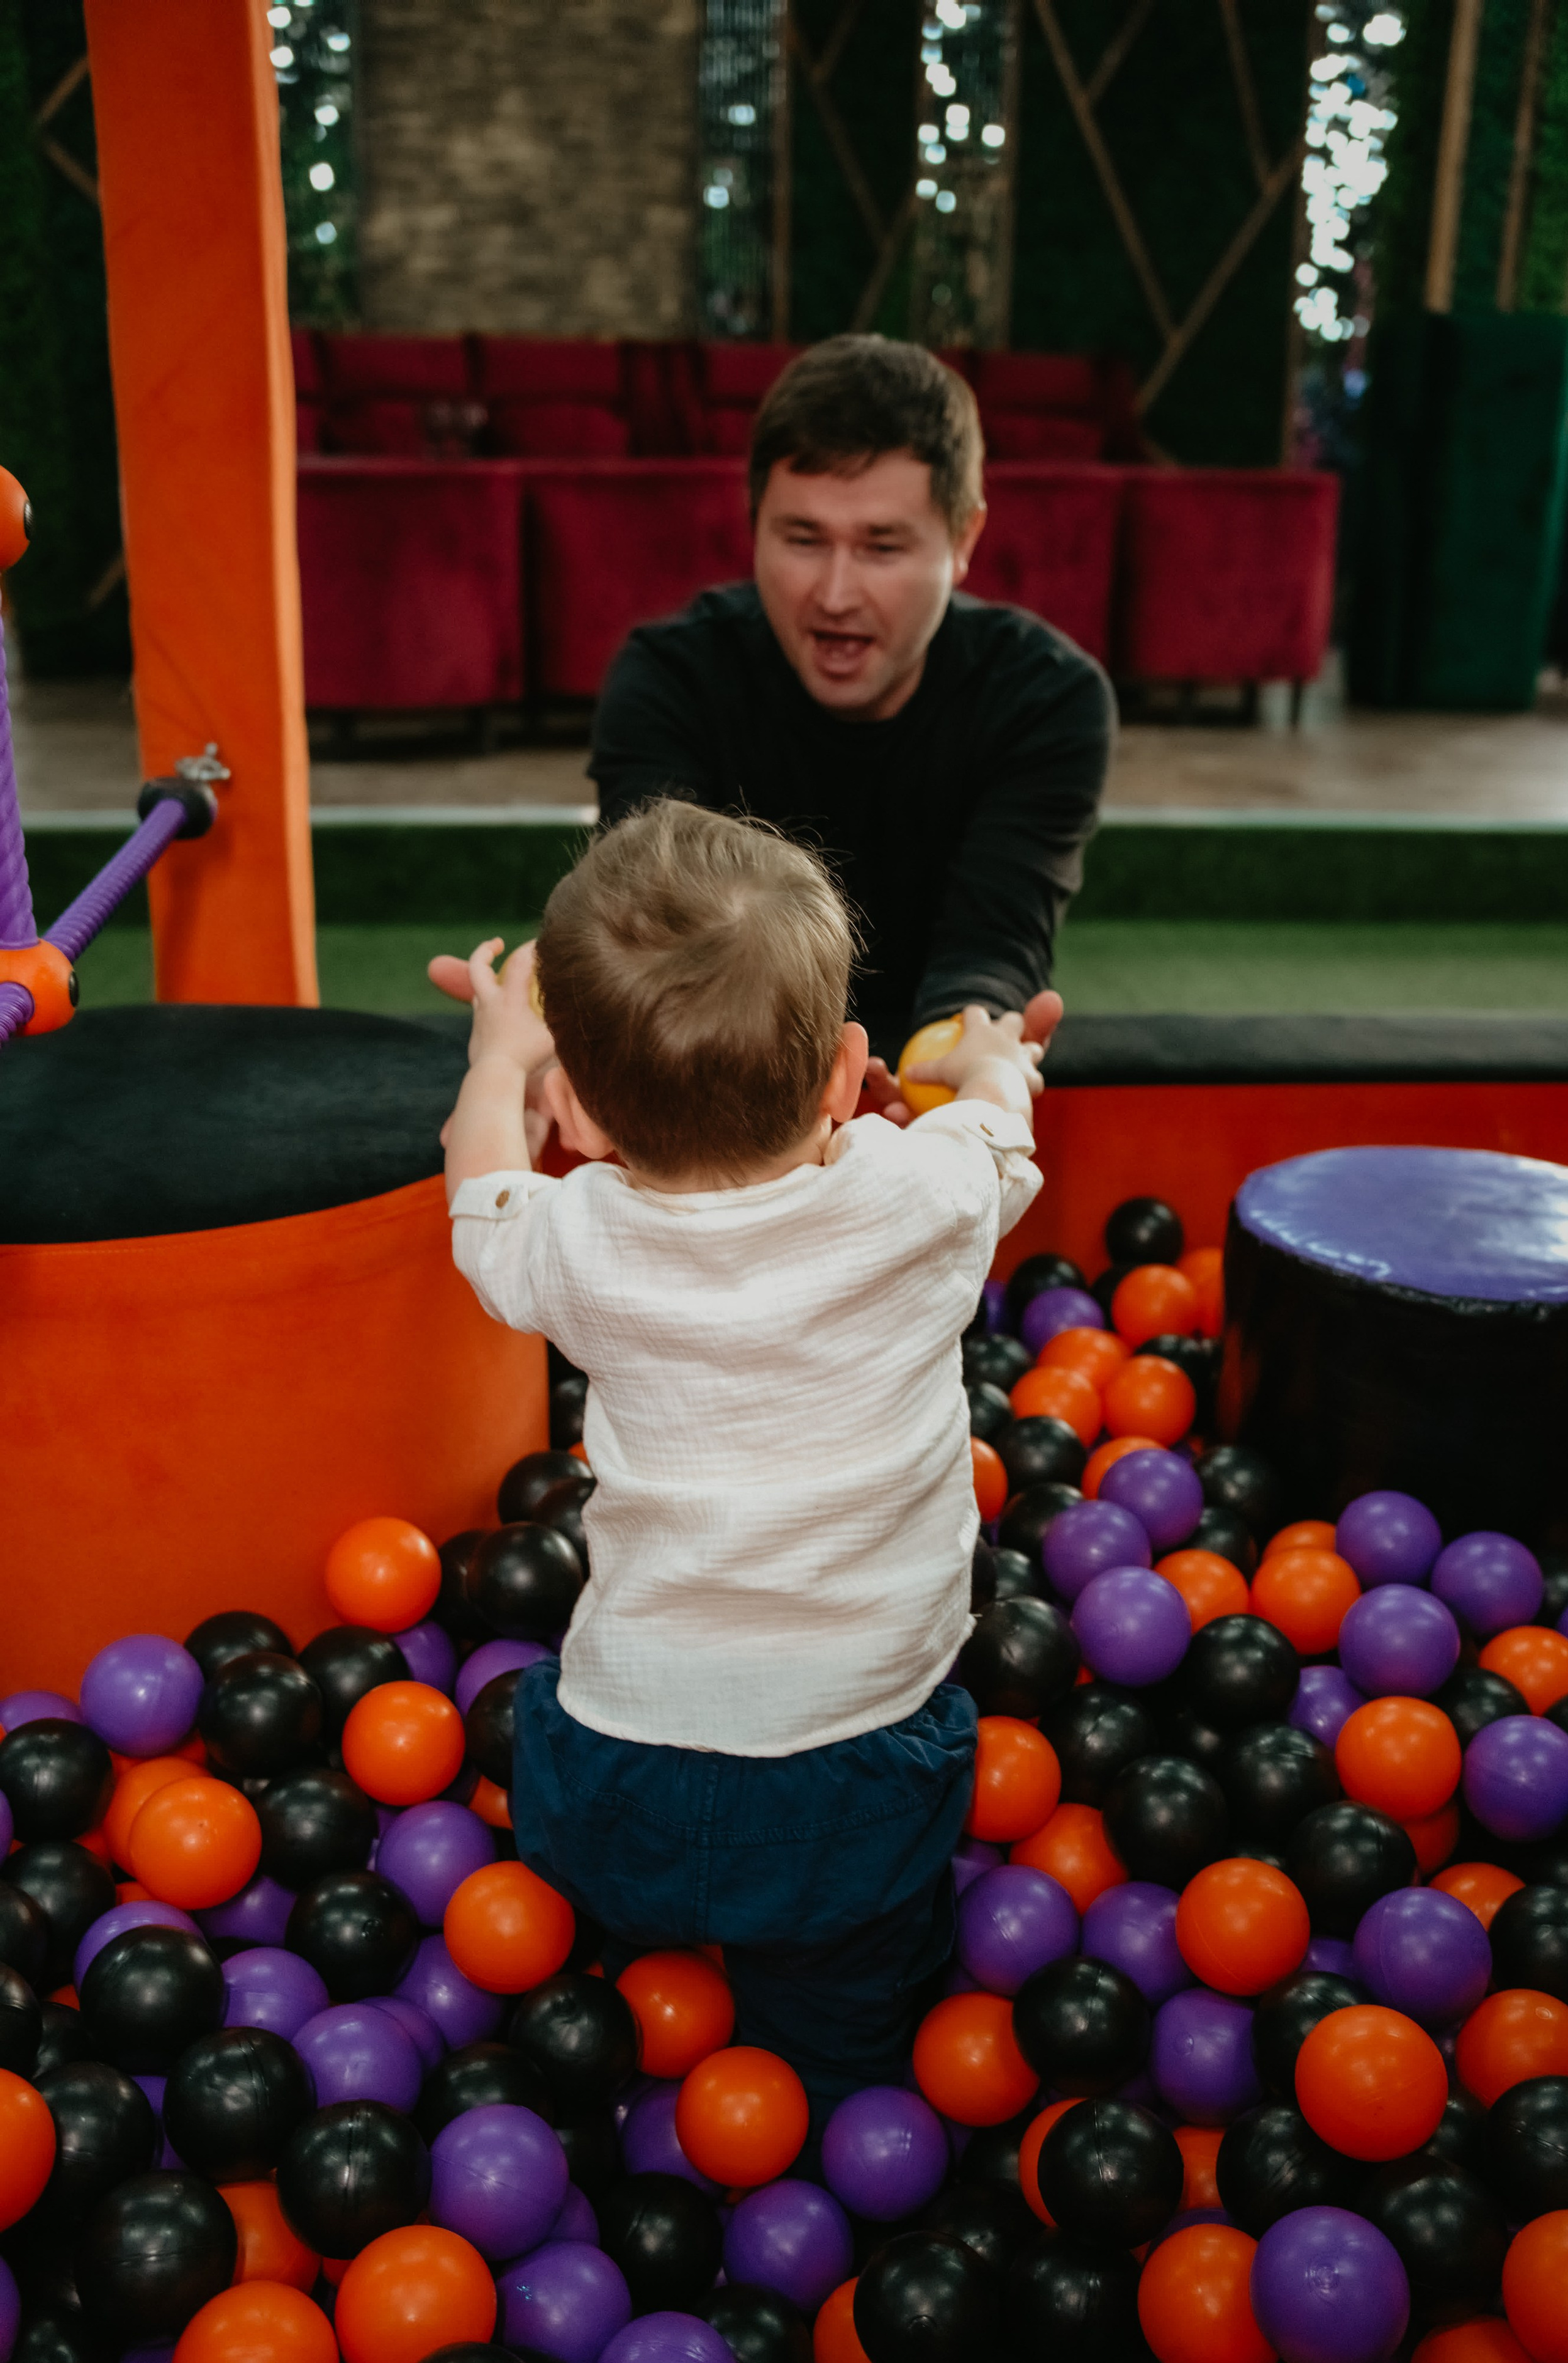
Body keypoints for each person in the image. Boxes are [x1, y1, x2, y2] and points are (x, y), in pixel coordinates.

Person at [443, 796, 1043, 2118]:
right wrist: (993, 1058)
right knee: (847, 2032)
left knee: (551, 1766)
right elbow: (999, 1125)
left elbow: (478, 1184)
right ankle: (835, 2098)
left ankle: (611, 2010)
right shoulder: (921, 1194)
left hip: (620, 1782)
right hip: (856, 1780)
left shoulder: (575, 1235)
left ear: (581, 1117)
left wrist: (500, 1056)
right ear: (841, 1075)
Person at [431, 333, 1111, 1135]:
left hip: (918, 1095)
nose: (834, 593)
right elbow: (650, 922)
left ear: (963, 539)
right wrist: (558, 1033)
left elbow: (991, 944)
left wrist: (951, 1071)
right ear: (754, 525)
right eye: (802, 539)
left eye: (881, 547)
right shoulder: (669, 677)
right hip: (716, 1085)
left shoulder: (1047, 699)